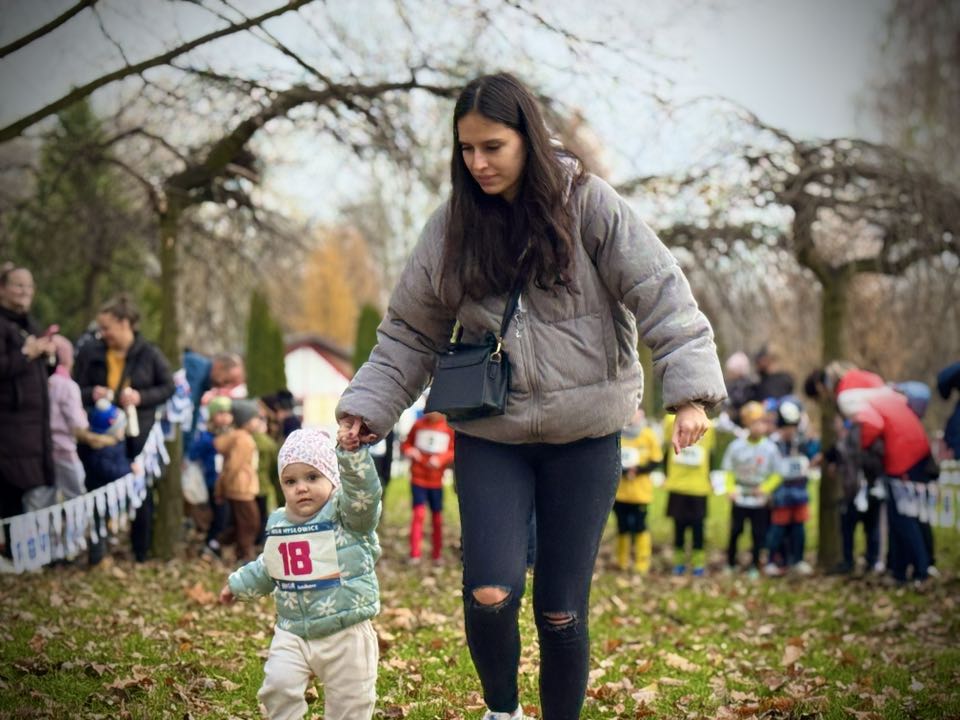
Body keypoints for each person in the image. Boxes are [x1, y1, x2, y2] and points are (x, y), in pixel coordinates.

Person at [335, 73, 725, 720]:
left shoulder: (588, 204)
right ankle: (502, 711)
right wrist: (366, 406)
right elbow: (409, 329)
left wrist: (689, 394)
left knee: (560, 607)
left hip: (585, 435)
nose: (478, 163)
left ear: (528, 138)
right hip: (494, 432)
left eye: (492, 146)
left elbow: (660, 290)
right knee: (490, 590)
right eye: (466, 150)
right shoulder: (451, 228)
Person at [219, 429, 381, 720]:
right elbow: (268, 566)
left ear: (333, 478)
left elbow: (364, 496)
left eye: (312, 477)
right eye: (290, 481)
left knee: (351, 706)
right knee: (277, 688)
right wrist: (238, 585)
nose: (301, 488)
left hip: (345, 631)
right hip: (293, 631)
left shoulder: (348, 517)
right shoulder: (281, 523)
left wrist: (352, 457)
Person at [74, 293, 175, 562]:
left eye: (106, 327)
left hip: (136, 436)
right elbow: (74, 389)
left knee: (140, 493)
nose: (102, 333)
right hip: (99, 438)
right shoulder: (90, 352)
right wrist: (91, 393)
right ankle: (97, 553)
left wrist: (141, 397)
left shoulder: (149, 353)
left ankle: (139, 553)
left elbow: (168, 387)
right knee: (97, 491)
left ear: (125, 323)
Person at [0, 265, 55, 559]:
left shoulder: (29, 324)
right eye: (18, 286)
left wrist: (47, 356)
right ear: (2, 289)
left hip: (33, 425)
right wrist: (26, 354)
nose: (25, 292)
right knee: (9, 485)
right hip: (9, 425)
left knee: (23, 489)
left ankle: (19, 551)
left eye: (29, 286)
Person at [721, 401, 781, 578]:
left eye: (762, 422)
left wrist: (766, 488)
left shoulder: (770, 448)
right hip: (740, 496)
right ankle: (731, 562)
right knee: (735, 531)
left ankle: (755, 565)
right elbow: (728, 470)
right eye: (754, 422)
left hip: (759, 498)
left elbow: (777, 473)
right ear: (746, 424)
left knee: (758, 533)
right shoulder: (736, 446)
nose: (759, 426)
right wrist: (730, 489)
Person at [764, 396, 818, 576]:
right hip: (781, 494)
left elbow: (813, 454)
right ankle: (773, 560)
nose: (789, 431)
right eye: (786, 427)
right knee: (778, 529)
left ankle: (798, 560)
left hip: (800, 493)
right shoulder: (773, 444)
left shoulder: (801, 442)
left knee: (798, 529)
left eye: (792, 427)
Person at [662, 412, 717, 577]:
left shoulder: (709, 425)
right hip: (677, 485)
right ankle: (679, 563)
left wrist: (710, 477)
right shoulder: (670, 421)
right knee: (678, 527)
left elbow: (710, 455)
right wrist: (667, 475)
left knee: (698, 528)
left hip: (699, 488)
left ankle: (698, 563)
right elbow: (666, 450)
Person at [401, 409, 455, 564]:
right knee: (418, 515)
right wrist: (410, 450)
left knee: (437, 518)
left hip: (436, 482)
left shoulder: (447, 428)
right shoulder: (418, 425)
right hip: (418, 479)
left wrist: (441, 458)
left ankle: (437, 554)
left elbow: (452, 449)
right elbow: (406, 444)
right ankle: (415, 554)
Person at [613, 409, 662, 574]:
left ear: (642, 414)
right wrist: (625, 472)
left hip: (640, 493)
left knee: (640, 526)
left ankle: (642, 562)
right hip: (620, 492)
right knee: (622, 526)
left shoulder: (648, 435)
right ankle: (622, 560)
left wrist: (638, 471)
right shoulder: (618, 433)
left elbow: (656, 460)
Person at [213, 398, 262, 563]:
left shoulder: (240, 437)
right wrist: (223, 486)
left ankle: (222, 544)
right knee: (250, 522)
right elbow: (233, 466)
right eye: (255, 418)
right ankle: (244, 554)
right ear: (246, 420)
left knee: (241, 521)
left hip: (240, 487)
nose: (258, 421)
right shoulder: (244, 440)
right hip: (241, 488)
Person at [189, 395, 233, 559]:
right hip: (213, 482)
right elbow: (194, 454)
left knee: (227, 515)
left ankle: (217, 542)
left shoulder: (233, 434)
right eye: (220, 413)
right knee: (220, 514)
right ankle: (211, 542)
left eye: (227, 413)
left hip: (229, 482)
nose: (224, 417)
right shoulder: (206, 436)